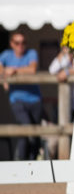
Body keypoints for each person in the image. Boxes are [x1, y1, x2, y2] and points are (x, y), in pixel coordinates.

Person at [0, 32, 43, 160]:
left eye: (23, 42)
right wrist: (5, 76)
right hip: (17, 99)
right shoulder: (6, 55)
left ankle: (32, 165)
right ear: (12, 44)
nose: (20, 46)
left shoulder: (31, 53)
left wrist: (13, 70)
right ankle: (22, 164)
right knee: (25, 129)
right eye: (17, 43)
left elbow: (32, 69)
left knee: (35, 135)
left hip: (35, 99)